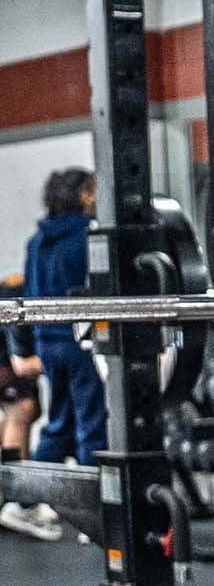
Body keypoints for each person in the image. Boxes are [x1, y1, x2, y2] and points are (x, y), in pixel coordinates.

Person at [24, 168, 107, 475]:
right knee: (92, 425)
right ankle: (97, 505)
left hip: (47, 342)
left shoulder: (37, 241)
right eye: (94, 190)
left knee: (60, 422)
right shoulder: (90, 234)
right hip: (79, 341)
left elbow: (30, 291)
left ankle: (27, 500)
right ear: (84, 194)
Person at [0, 273, 58, 541]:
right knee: (20, 410)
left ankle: (10, 496)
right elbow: (23, 365)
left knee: (27, 411)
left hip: (10, 351)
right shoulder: (18, 292)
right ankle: (16, 500)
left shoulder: (30, 283)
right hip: (7, 356)